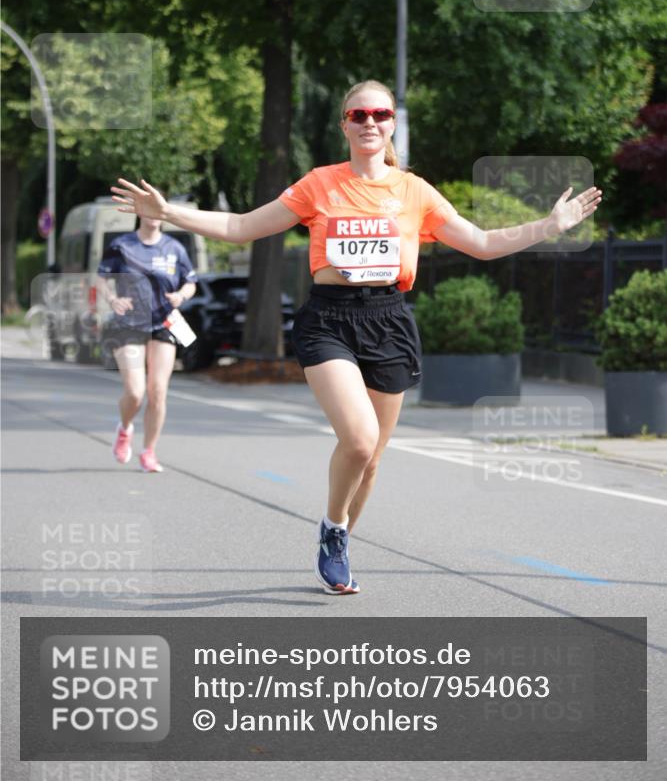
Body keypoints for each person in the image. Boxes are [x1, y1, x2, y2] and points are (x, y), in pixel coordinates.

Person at [111, 79, 601, 590]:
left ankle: (336, 534)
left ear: (391, 123)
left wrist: (549, 225)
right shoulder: (319, 184)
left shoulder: (414, 190)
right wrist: (168, 212)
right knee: (360, 440)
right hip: (329, 321)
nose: (370, 123)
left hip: (388, 319)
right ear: (344, 123)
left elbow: (480, 242)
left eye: (379, 114)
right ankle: (335, 526)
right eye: (358, 115)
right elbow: (239, 226)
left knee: (371, 461)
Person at [97, 214, 198, 473]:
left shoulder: (174, 248)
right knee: (135, 392)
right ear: (140, 213)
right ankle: (125, 428)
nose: (153, 215)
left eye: (158, 209)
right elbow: (101, 278)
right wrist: (112, 299)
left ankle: (149, 452)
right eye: (148, 209)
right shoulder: (122, 245)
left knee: (158, 391)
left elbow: (191, 282)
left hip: (164, 323)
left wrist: (181, 295)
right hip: (128, 324)